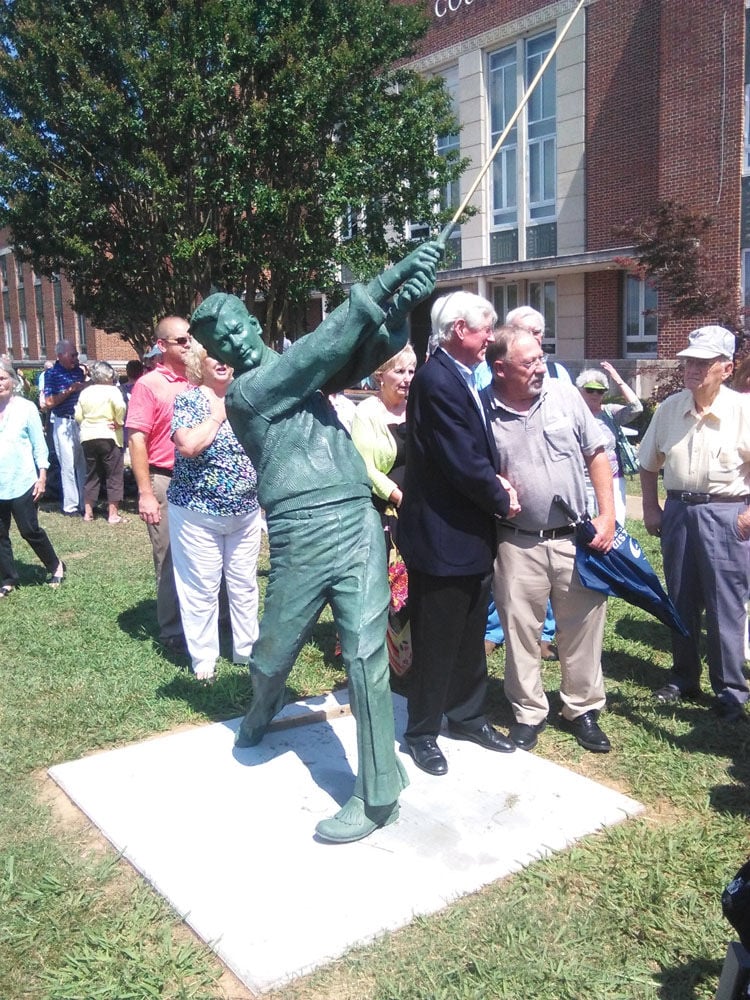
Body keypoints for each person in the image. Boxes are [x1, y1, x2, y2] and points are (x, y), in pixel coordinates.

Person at [189, 241, 442, 844]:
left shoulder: (297, 374)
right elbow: (322, 347)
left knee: (364, 656)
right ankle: (260, 708)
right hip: (301, 537)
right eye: (223, 341)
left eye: (241, 327)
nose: (237, 341)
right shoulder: (249, 396)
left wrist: (403, 307)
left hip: (355, 520)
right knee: (272, 654)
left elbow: (361, 352)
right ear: (218, 356)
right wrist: (383, 282)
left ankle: (378, 792)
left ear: (252, 324)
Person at [397, 291, 518, 778]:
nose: (491, 335)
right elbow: (459, 458)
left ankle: (467, 716)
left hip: (468, 534)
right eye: (483, 327)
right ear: (457, 330)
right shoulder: (436, 380)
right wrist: (500, 494)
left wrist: (491, 490)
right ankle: (422, 731)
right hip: (442, 535)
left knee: (470, 632)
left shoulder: (463, 375)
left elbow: (472, 450)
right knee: (437, 636)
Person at [482, 327, 616, 753]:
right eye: (529, 362)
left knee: (583, 625)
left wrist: (608, 515)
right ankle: (528, 712)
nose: (540, 367)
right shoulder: (482, 407)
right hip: (516, 541)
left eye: (541, 358)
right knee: (519, 629)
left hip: (574, 537)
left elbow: (596, 452)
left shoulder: (563, 394)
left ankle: (582, 708)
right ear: (500, 368)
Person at [639, 325, 750, 721]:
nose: (692, 368)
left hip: (727, 515)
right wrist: (652, 510)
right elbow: (647, 463)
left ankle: (731, 691)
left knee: (726, 607)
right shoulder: (671, 408)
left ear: (726, 367)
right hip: (679, 513)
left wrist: (746, 517)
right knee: (681, 600)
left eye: (703, 362)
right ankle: (684, 677)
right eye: (689, 360)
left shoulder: (743, 409)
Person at [167, 343, 262, 683]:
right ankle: (204, 658)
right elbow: (188, 446)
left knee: (244, 585)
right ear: (199, 362)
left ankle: (247, 650)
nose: (222, 362)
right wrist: (217, 417)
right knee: (201, 588)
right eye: (213, 356)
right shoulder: (188, 400)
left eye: (227, 356)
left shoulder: (248, 398)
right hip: (196, 512)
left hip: (246, 512)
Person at [126, 317, 190, 651]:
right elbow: (137, 440)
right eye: (181, 340)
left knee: (206, 554)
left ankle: (212, 619)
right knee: (167, 555)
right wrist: (146, 492)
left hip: (200, 481)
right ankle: (171, 628)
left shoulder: (200, 380)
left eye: (190, 337)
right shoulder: (149, 385)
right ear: (162, 346)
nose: (189, 344)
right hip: (164, 478)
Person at [0, 360, 65, 595]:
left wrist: (42, 476)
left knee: (29, 530)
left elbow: (40, 445)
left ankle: (55, 566)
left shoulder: (26, 408)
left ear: (12, 380)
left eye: (2, 379)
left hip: (23, 480)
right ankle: (8, 579)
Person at [350, 344, 416, 537]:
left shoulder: (417, 407)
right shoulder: (366, 412)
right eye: (400, 371)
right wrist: (400, 498)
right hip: (384, 509)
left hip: (420, 507)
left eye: (411, 371)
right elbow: (366, 468)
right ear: (380, 376)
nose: (407, 378)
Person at [576, 361, 643, 525]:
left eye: (600, 391)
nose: (595, 394)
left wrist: (617, 379)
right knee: (583, 527)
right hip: (582, 481)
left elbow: (636, 407)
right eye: (590, 389)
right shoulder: (573, 414)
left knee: (615, 524)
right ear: (580, 390)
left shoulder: (610, 412)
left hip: (613, 479)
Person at [74, 361, 127, 524]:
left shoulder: (86, 391)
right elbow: (120, 406)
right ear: (109, 375)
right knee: (113, 474)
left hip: (88, 436)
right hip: (109, 435)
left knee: (92, 474)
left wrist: (86, 425)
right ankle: (113, 514)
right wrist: (119, 421)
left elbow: (78, 415)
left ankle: (88, 513)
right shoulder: (113, 391)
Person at [43, 340, 88, 515]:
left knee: (83, 464)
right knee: (68, 465)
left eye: (76, 355)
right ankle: (70, 506)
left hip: (81, 422)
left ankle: (85, 503)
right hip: (63, 422)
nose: (75, 358)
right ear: (60, 355)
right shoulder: (52, 374)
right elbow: (49, 402)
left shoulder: (79, 372)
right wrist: (69, 390)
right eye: (72, 355)